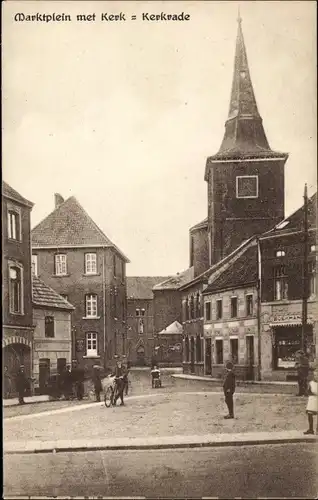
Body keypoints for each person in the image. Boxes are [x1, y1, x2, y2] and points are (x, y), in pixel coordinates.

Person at [303, 370, 318, 435]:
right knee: (310, 414)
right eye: (315, 375)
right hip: (312, 400)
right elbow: (307, 392)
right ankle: (311, 429)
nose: (316, 376)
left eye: (317, 375)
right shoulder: (311, 383)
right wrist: (311, 393)